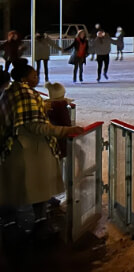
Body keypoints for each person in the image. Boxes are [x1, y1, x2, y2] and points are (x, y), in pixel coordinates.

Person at [0, 59, 83, 242]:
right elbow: (35, 126)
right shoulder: (26, 95)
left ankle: (13, 224)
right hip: (28, 150)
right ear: (24, 78)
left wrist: (42, 107)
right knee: (36, 186)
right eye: (34, 75)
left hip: (14, 148)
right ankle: (37, 224)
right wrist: (65, 130)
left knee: (18, 187)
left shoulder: (11, 93)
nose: (37, 78)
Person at [44, 82, 73, 159]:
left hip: (52, 136)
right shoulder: (60, 107)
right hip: (60, 137)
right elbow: (66, 123)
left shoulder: (47, 104)